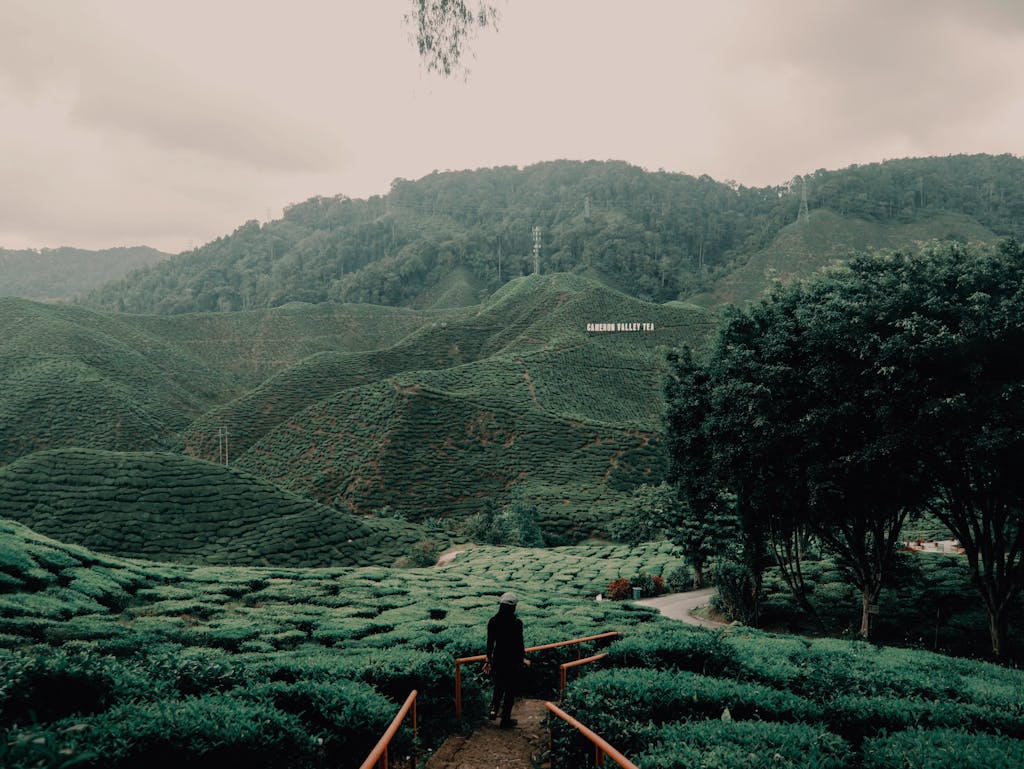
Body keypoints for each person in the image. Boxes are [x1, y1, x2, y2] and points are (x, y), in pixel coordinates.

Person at [485, 591, 528, 728]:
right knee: (510, 690)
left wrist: (488, 659)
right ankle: (505, 719)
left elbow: (490, 643)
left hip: (498, 659)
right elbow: (519, 644)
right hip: (512, 661)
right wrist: (523, 659)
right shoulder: (516, 623)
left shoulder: (493, 621)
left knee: (498, 685)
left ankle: (493, 709)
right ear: (513, 607)